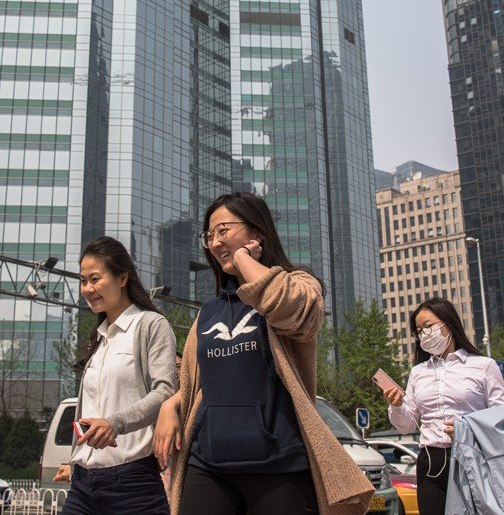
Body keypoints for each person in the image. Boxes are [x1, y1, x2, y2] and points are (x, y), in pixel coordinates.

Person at [153, 192, 372, 515]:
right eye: (209, 235)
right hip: (208, 463)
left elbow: (290, 309)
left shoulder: (298, 284)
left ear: (257, 232)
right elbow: (202, 383)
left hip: (279, 466)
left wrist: (244, 261)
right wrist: (171, 404)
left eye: (223, 231)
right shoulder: (209, 312)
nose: (214, 243)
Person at [60, 236, 177, 515]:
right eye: (83, 280)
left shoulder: (151, 325)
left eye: (96, 279)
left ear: (122, 278)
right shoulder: (98, 338)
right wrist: (76, 458)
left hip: (132, 483)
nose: (88, 289)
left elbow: (164, 391)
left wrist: (115, 423)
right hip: (83, 483)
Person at [379, 297, 504, 515]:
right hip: (431, 462)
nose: (424, 334)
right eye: (419, 331)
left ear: (447, 323)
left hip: (472, 457)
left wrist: (467, 428)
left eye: (428, 326)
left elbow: (503, 418)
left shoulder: (483, 366)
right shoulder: (418, 373)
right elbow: (407, 425)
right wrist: (397, 406)